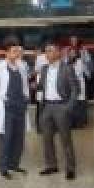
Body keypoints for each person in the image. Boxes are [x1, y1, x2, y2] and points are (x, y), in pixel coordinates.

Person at [0, 38, 30, 179]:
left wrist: (26, 97)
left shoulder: (21, 67)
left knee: (19, 138)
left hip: (20, 107)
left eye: (18, 51)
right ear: (6, 53)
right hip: (6, 108)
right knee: (6, 139)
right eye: (14, 51)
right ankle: (2, 169)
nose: (16, 53)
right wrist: (5, 97)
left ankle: (14, 165)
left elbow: (25, 85)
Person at [37, 44, 79, 180]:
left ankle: (70, 168)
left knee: (65, 139)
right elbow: (40, 87)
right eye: (46, 51)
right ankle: (51, 165)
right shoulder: (44, 69)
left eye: (50, 51)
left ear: (58, 53)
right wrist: (39, 100)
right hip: (47, 107)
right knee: (47, 139)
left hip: (62, 107)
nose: (47, 54)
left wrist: (69, 107)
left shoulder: (67, 68)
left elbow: (75, 89)